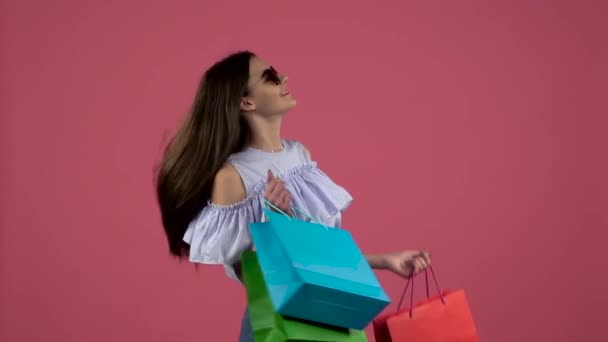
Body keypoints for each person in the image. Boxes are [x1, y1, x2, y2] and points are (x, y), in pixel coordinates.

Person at [155, 50, 432, 341]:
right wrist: (274, 224)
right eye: (270, 76)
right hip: (283, 326)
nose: (283, 78)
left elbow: (317, 255)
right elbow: (251, 279)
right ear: (246, 101)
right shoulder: (232, 177)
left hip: (331, 313)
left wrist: (386, 260)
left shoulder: (300, 156)